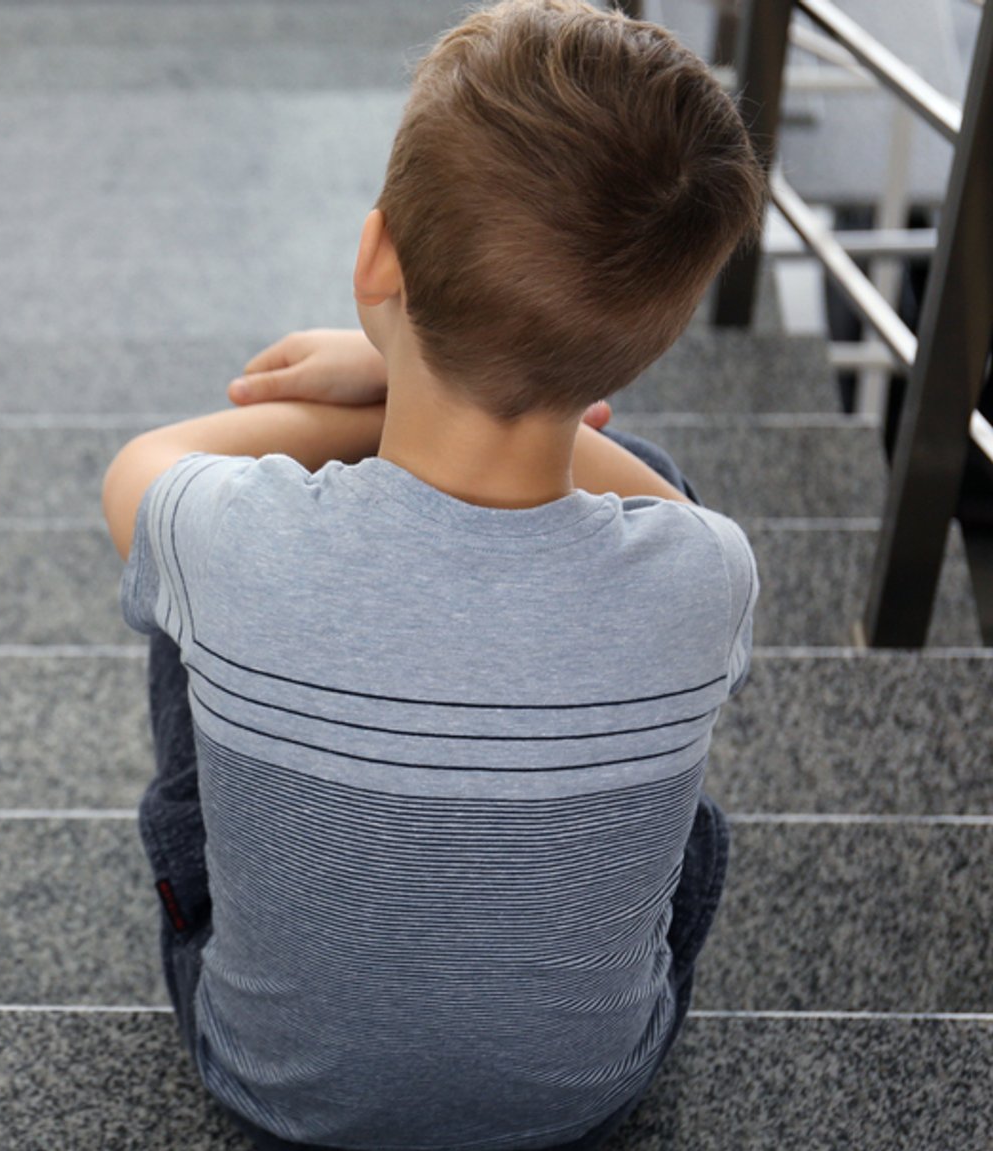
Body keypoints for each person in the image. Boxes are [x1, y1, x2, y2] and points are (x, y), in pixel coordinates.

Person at [99, 2, 766, 1147]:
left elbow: (142, 466)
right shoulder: (712, 574)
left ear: (376, 259)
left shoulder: (236, 540)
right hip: (584, 1099)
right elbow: (666, 511)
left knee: (183, 585)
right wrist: (406, 365)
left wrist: (368, 387)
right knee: (652, 491)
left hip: (274, 1093)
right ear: (641, 344)